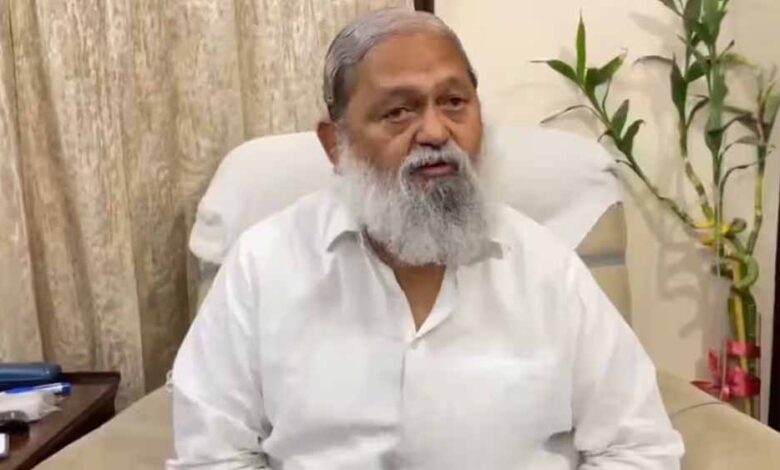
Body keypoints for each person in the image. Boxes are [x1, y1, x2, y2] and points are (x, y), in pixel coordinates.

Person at [167, 8, 684, 470]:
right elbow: (212, 455)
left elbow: (638, 448)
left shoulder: (549, 270)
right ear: (335, 144)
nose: (436, 132)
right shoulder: (262, 267)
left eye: (454, 102)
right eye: (399, 111)